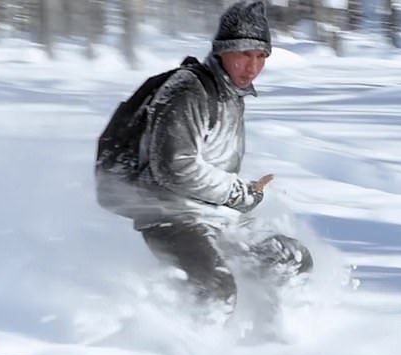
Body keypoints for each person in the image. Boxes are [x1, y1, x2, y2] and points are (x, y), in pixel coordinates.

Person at [115, 0, 313, 315]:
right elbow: (175, 167)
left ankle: (273, 345)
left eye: (261, 56)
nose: (253, 66)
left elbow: (212, 165)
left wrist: (241, 196)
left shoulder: (231, 96)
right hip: (168, 215)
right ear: (222, 51)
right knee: (217, 288)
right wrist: (239, 193)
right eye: (245, 54)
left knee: (290, 259)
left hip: (213, 214)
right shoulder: (188, 91)